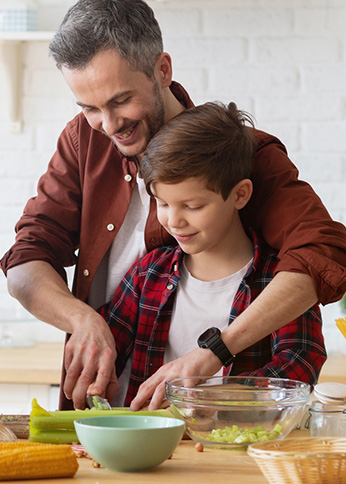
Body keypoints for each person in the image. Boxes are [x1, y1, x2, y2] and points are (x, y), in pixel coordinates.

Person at [0, 0, 346, 410]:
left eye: (120, 101)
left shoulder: (240, 154)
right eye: (89, 107)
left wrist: (214, 356)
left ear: (162, 69)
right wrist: (82, 320)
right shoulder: (84, 139)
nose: (108, 125)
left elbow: (323, 253)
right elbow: (25, 261)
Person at [104, 101, 327, 410]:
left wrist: (209, 400)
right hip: (151, 447)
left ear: (240, 194)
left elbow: (299, 366)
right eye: (163, 203)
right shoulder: (147, 274)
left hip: (238, 449)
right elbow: (107, 351)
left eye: (193, 206)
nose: (174, 221)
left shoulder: (280, 282)